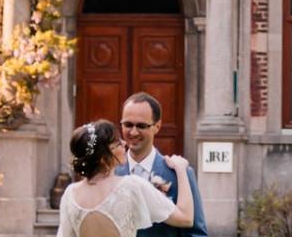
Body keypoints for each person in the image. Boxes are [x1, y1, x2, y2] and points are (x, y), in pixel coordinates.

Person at [58, 119, 194, 237]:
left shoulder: (70, 194)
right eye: (117, 143)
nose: (124, 143)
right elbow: (186, 218)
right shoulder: (130, 186)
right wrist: (181, 170)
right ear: (104, 159)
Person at [116, 92, 207, 237]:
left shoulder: (179, 173)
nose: (133, 132)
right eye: (128, 124)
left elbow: (196, 233)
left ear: (157, 126)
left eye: (141, 126)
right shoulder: (110, 173)